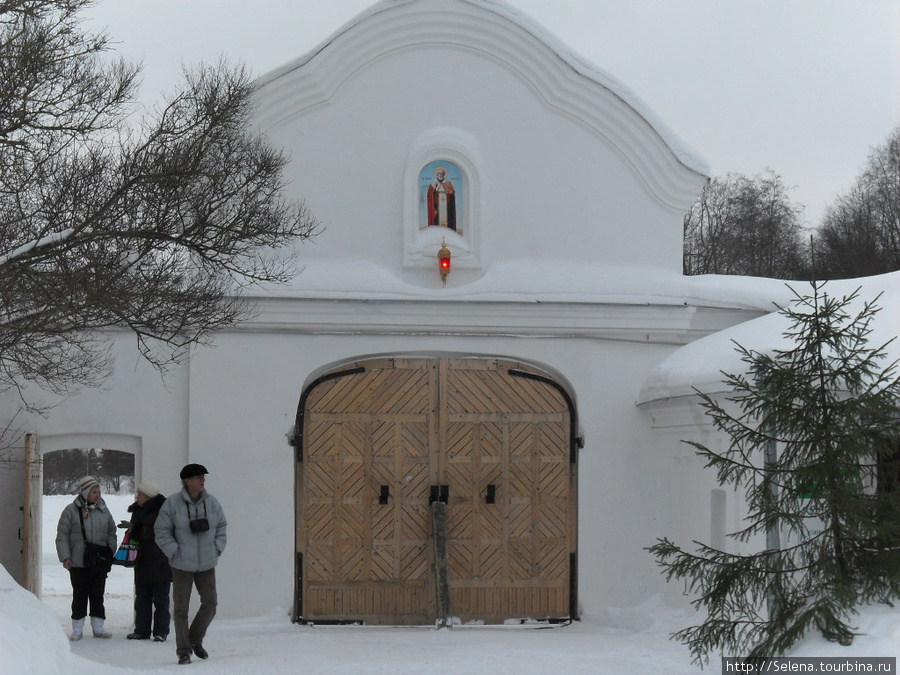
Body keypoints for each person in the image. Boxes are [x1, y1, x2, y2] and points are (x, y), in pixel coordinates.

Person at [155, 464, 227, 665]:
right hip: (181, 565)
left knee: (210, 604)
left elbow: (222, 526)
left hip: (206, 563)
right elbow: (161, 531)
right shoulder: (172, 504)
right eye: (198, 477)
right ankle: (183, 650)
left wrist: (217, 548)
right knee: (181, 609)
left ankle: (195, 638)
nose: (203, 480)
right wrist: (174, 551)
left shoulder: (212, 503)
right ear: (187, 481)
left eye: (203, 476)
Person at [55, 475, 117, 641]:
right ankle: (77, 628)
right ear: (85, 493)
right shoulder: (71, 511)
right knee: (80, 595)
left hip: (99, 561)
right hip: (78, 561)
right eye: (94, 492)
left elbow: (112, 531)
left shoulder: (104, 509)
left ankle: (98, 626)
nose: (97, 495)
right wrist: (65, 556)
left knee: (98, 594)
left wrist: (110, 550)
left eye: (99, 491)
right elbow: (62, 535)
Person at [120, 481, 172, 642]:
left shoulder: (163, 511)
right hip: (142, 560)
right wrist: (132, 530)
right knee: (142, 598)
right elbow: (138, 532)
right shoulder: (138, 511)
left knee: (161, 600)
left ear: (148, 496)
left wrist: (135, 528)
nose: (137, 496)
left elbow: (158, 533)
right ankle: (141, 630)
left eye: (140, 494)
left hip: (159, 561)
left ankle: (161, 631)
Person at [427, 165, 457, 231]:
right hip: (436, 206)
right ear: (436, 174)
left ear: (444, 174)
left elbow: (452, 194)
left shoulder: (448, 183)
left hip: (447, 207)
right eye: (439, 173)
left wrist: (450, 192)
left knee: (448, 220)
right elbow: (430, 196)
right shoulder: (433, 184)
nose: (440, 175)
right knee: (437, 221)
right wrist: (434, 190)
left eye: (442, 173)